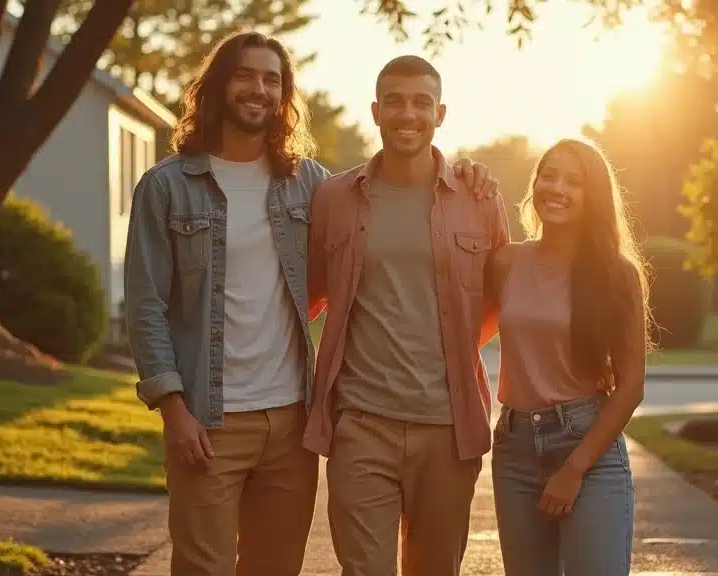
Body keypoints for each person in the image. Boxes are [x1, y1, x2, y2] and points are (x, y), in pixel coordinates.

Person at [123, 32, 496, 576]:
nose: (258, 89)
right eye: (245, 76)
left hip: (292, 422)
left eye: (272, 80)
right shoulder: (168, 187)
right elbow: (145, 306)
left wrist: (468, 170)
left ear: (284, 96)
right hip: (209, 418)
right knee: (203, 567)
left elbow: (346, 281)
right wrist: (172, 409)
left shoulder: (310, 185)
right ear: (218, 86)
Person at [305, 55, 511, 576]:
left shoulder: (478, 199)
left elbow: (499, 300)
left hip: (447, 429)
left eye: (422, 102)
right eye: (394, 101)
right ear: (375, 111)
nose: (408, 114)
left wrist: (452, 352)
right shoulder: (334, 198)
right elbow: (308, 297)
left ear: (440, 113)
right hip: (361, 426)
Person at [484, 136, 652, 576]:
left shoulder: (618, 274)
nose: (556, 188)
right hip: (515, 449)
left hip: (587, 447)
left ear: (592, 196)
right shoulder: (506, 262)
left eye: (574, 182)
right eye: (548, 176)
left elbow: (631, 386)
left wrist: (574, 468)